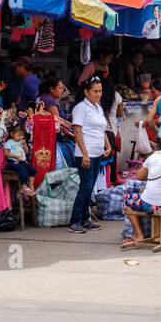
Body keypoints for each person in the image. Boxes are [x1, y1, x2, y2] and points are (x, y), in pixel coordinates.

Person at [69, 78, 110, 234]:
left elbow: (102, 129)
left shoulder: (98, 108)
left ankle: (85, 219)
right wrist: (85, 153)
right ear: (87, 92)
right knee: (85, 187)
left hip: (97, 152)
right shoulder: (80, 108)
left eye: (100, 91)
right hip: (84, 154)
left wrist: (108, 145)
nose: (98, 94)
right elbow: (77, 131)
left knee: (90, 187)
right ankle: (75, 221)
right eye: (95, 91)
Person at [4, 124, 37, 193]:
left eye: (22, 136)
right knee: (23, 171)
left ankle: (31, 185)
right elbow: (6, 153)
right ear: (12, 134)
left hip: (22, 162)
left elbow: (26, 151)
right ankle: (24, 187)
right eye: (18, 135)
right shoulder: (9, 143)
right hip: (13, 163)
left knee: (33, 170)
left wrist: (24, 144)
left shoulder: (20, 142)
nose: (20, 137)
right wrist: (15, 156)